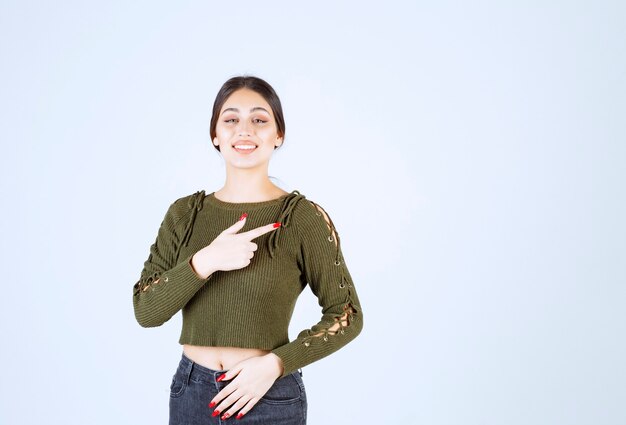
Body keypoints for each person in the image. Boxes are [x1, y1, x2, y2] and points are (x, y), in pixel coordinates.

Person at [132, 75, 364, 424]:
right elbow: (146, 311)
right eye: (230, 120)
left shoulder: (301, 217)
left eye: (259, 120)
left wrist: (277, 364)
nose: (245, 130)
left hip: (267, 396)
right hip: (191, 394)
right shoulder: (185, 213)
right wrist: (204, 261)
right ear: (215, 135)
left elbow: (347, 314)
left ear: (278, 135)